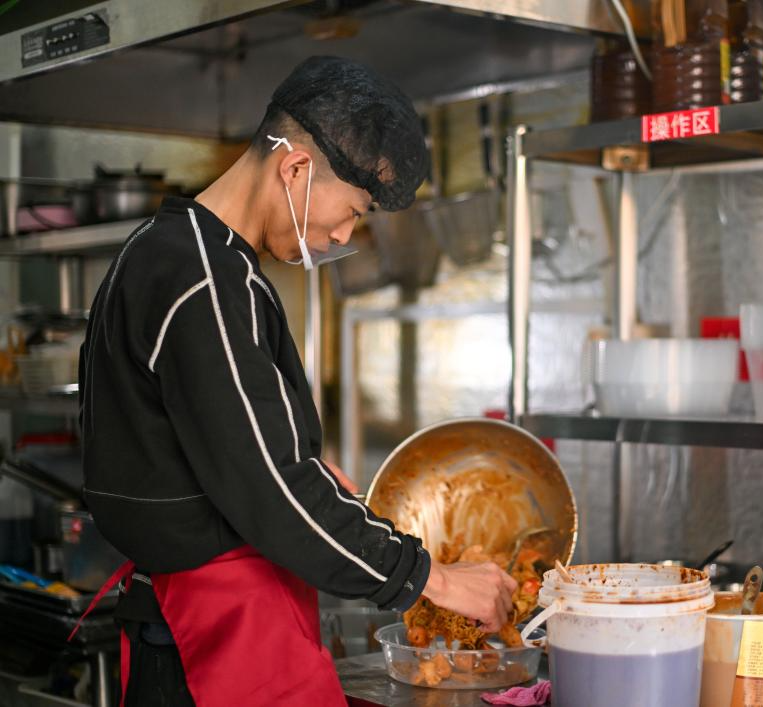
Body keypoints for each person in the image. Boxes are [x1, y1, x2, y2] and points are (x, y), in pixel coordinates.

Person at [77, 56, 516, 706]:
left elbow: (216, 451)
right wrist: (436, 580)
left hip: (186, 627)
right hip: (208, 643)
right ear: (295, 169)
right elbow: (273, 487)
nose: (343, 234)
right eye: (353, 210)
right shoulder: (207, 281)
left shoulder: (166, 250)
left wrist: (300, 465)